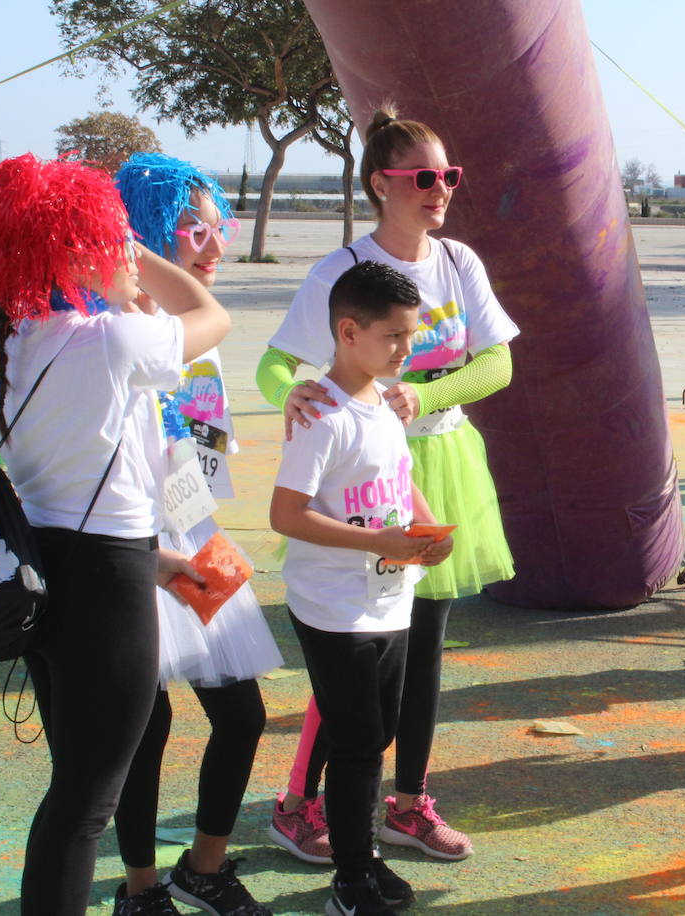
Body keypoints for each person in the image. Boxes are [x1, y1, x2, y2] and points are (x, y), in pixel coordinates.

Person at [258, 107, 519, 864]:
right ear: (382, 183)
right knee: (353, 651)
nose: (441, 190)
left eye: (449, 176)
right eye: (424, 178)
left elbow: (499, 363)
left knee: (422, 651)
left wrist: (426, 397)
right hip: (362, 477)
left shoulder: (460, 262)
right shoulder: (340, 271)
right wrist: (292, 396)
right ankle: (299, 803)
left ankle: (408, 804)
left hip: (444, 465)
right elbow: (275, 366)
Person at [0, 154, 230, 913]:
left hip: (49, 578)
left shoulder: (14, 348)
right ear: (76, 249)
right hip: (105, 590)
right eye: (109, 242)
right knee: (86, 806)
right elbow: (209, 316)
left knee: (73, 796)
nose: (126, 259)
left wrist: (155, 562)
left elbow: (64, 495)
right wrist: (140, 249)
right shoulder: (107, 342)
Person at [109, 152, 283, 916]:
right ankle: (142, 889)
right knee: (146, 725)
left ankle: (203, 870)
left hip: (198, 533)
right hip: (135, 546)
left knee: (242, 715)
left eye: (223, 229)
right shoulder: (114, 332)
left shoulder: (199, 331)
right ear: (147, 235)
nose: (215, 248)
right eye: (195, 231)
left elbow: (203, 458)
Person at [270, 259, 453, 915]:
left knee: (372, 740)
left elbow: (399, 481)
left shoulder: (383, 404)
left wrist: (429, 528)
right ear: (348, 332)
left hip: (388, 602)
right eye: (395, 336)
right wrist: (378, 542)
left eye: (411, 334)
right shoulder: (322, 413)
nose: (407, 349)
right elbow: (286, 515)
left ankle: (363, 860)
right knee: (354, 744)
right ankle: (349, 879)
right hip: (332, 609)